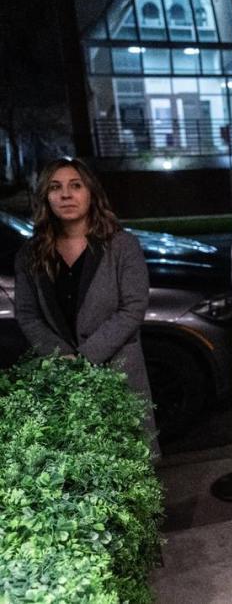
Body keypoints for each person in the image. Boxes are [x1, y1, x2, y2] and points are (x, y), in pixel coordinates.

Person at [14, 157, 158, 457]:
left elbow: (133, 307)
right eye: (56, 187)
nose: (66, 194)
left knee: (129, 469)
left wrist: (85, 357)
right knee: (81, 474)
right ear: (45, 197)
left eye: (75, 186)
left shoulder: (121, 245)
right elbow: (27, 314)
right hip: (63, 379)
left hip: (119, 376)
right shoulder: (31, 253)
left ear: (90, 193)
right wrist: (62, 357)